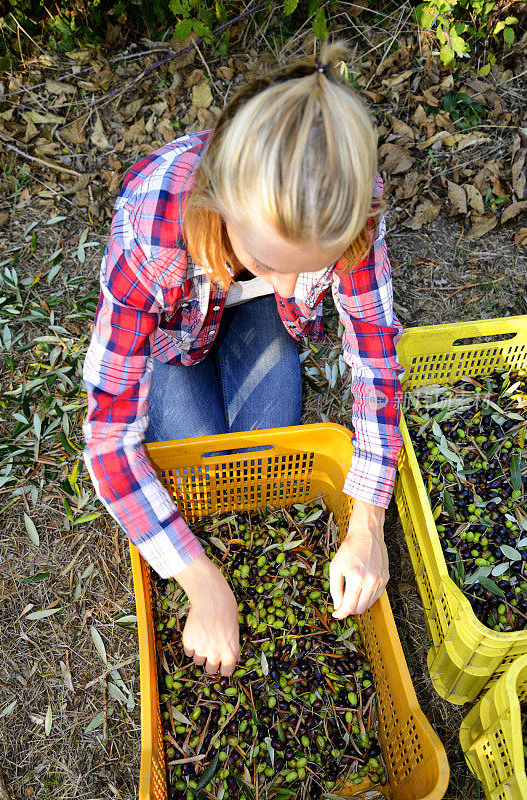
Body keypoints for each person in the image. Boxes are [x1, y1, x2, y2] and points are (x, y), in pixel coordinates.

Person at [82, 39, 403, 678]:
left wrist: (368, 525)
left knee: (266, 445)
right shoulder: (155, 230)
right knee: (197, 450)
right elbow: (110, 437)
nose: (292, 286)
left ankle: (253, 308)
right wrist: (201, 581)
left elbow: (375, 359)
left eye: (311, 268)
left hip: (257, 319)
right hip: (177, 323)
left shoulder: (349, 202)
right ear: (221, 208)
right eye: (267, 263)